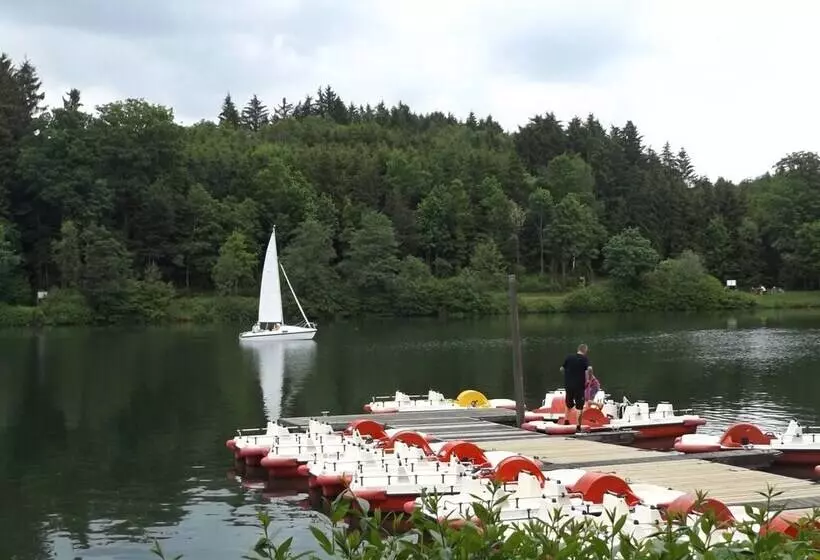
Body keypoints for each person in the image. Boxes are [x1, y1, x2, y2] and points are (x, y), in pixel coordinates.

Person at [560, 343, 592, 429]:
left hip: (568, 384)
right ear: (585, 350)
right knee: (579, 406)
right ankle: (578, 426)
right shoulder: (584, 359)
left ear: (578, 349)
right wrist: (589, 379)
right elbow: (589, 369)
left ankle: (566, 421)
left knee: (568, 403)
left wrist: (567, 375)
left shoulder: (569, 357)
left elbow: (561, 368)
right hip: (579, 386)